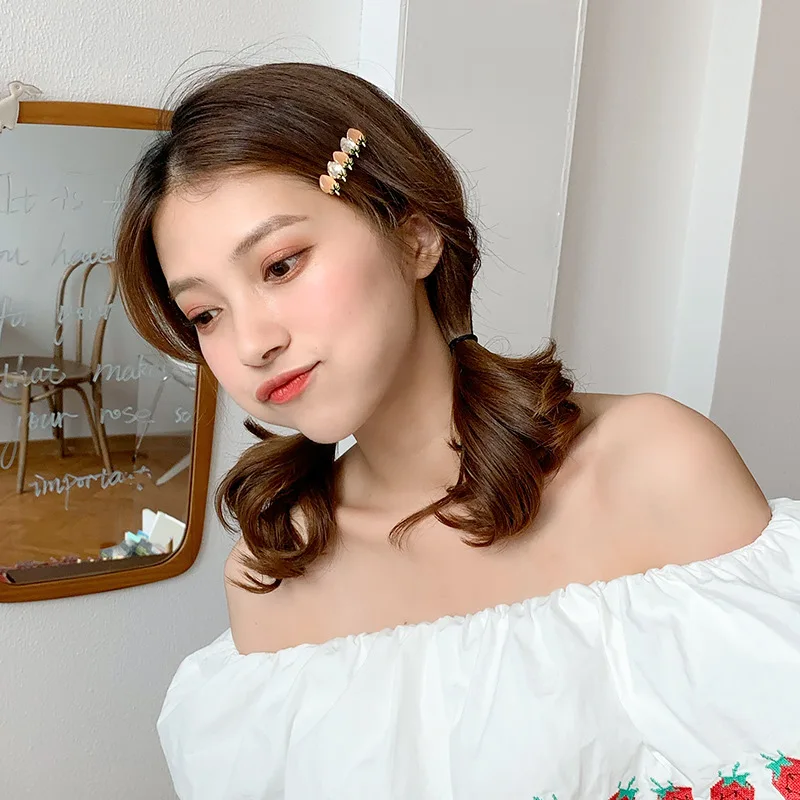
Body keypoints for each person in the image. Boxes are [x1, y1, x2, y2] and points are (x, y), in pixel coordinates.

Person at [115, 62, 800, 799]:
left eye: (281, 265)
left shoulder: (656, 463)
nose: (252, 343)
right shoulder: (278, 568)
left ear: (415, 237)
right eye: (205, 314)